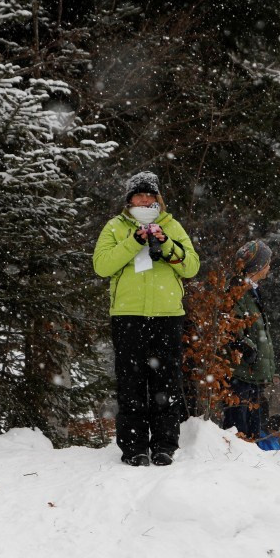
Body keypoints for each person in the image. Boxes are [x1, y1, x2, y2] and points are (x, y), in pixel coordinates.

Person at [92, 171, 200, 467]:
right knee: (131, 383)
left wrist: (165, 244)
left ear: (158, 200)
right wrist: (132, 242)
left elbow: (191, 267)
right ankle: (133, 448)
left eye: (150, 196)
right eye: (139, 196)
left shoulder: (172, 226)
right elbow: (101, 265)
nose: (145, 200)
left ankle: (164, 445)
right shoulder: (114, 227)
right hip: (128, 317)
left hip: (167, 316)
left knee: (165, 384)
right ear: (128, 201)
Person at [222, 239, 275, 441]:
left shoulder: (253, 291)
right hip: (241, 373)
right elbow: (230, 326)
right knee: (238, 429)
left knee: (253, 430)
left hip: (252, 374)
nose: (269, 267)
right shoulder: (237, 291)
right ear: (258, 266)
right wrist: (247, 348)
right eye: (267, 262)